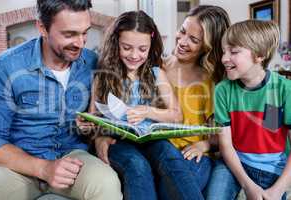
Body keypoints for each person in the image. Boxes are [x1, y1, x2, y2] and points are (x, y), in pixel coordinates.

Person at [0, 0, 122, 200]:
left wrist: (99, 133)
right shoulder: (5, 67)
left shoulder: (93, 63)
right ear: (42, 27)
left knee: (107, 183)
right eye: (69, 34)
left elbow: (103, 116)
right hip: (18, 165)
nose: (80, 42)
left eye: (85, 32)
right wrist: (44, 169)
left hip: (73, 159)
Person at [78, 10, 185, 200]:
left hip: (149, 137)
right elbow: (93, 119)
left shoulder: (156, 73)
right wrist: (89, 128)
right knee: (137, 165)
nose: (135, 55)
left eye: (142, 49)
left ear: (151, 45)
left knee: (171, 157)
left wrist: (148, 111)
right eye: (126, 47)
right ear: (115, 43)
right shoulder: (102, 75)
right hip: (117, 141)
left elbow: (177, 115)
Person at [205, 20, 291, 200]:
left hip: (273, 168)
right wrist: (247, 185)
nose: (224, 58)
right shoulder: (223, 90)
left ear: (259, 55)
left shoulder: (284, 89)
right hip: (234, 163)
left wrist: (278, 189)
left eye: (234, 52)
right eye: (224, 51)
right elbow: (226, 145)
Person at [160, 5, 230, 199]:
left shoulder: (211, 81)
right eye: (182, 31)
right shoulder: (158, 66)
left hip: (193, 156)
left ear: (207, 46)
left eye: (194, 40)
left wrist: (204, 145)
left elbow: (221, 134)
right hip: (160, 152)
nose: (182, 42)